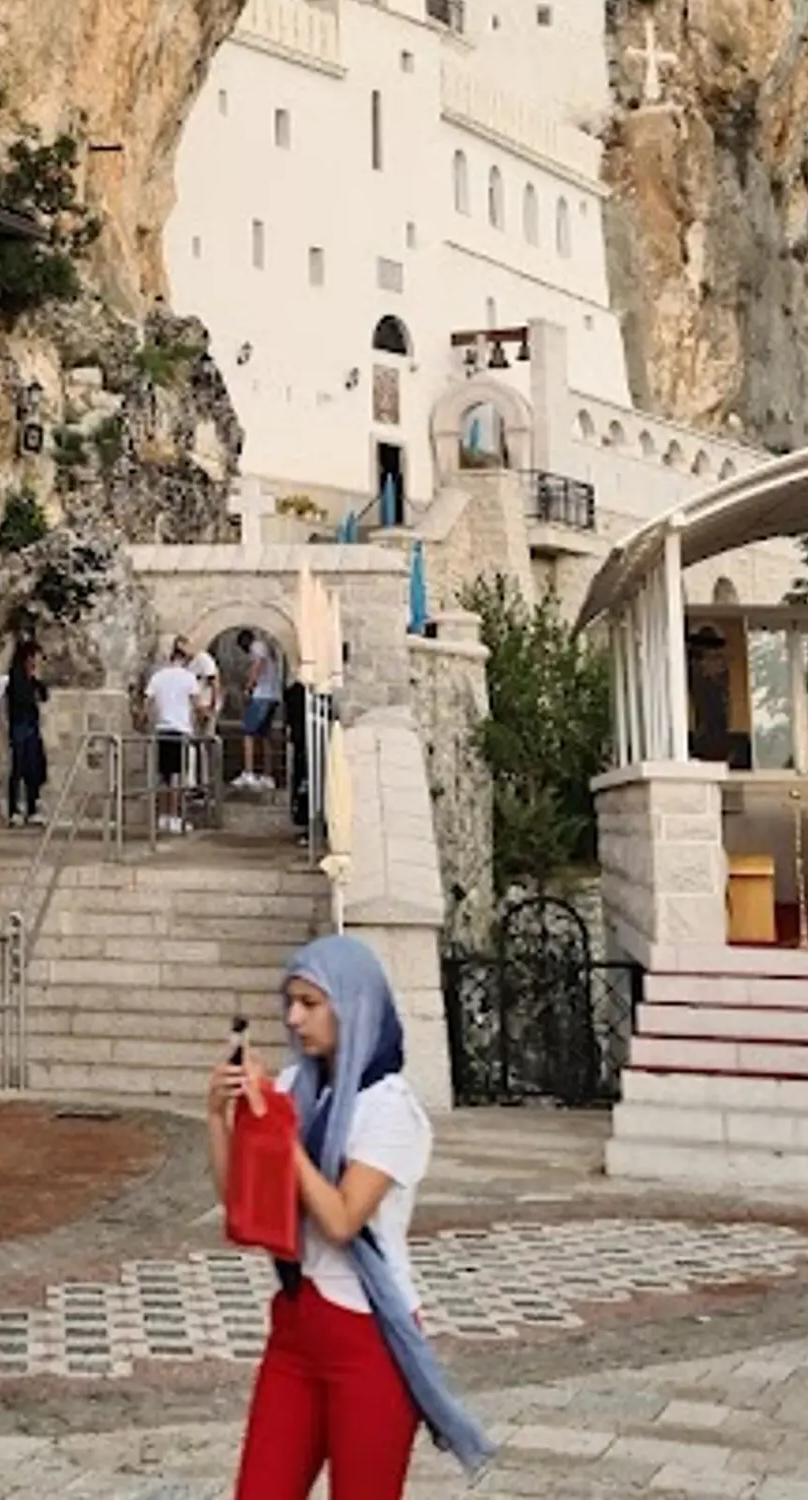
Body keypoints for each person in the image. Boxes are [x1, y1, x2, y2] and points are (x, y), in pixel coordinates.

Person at [206, 933, 493, 1495]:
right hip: (295, 1326)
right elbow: (243, 1203)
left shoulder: (391, 1109)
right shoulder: (296, 1086)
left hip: (368, 1337)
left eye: (310, 1004)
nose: (293, 1018)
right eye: (290, 1002)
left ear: (353, 1005)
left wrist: (281, 1131)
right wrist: (219, 1116)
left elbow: (340, 1219)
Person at [146, 637, 208, 835]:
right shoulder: (188, 678)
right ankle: (175, 816)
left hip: (161, 729)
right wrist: (204, 718)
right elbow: (197, 704)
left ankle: (162, 816)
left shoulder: (158, 677)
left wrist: (143, 721)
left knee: (163, 776)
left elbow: (147, 702)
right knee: (177, 777)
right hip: (180, 729)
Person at [4, 634, 50, 824]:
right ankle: (14, 809)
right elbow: (21, 700)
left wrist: (37, 680)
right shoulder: (15, 676)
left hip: (31, 725)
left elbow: (44, 696)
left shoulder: (31, 678)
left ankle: (32, 806)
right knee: (18, 766)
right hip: (20, 725)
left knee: (34, 766)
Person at [240, 634, 285, 789]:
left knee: (248, 733)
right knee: (265, 736)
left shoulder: (257, 647)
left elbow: (257, 665)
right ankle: (267, 775)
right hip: (273, 696)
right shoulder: (268, 646)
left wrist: (249, 687)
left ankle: (249, 772)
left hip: (261, 695)